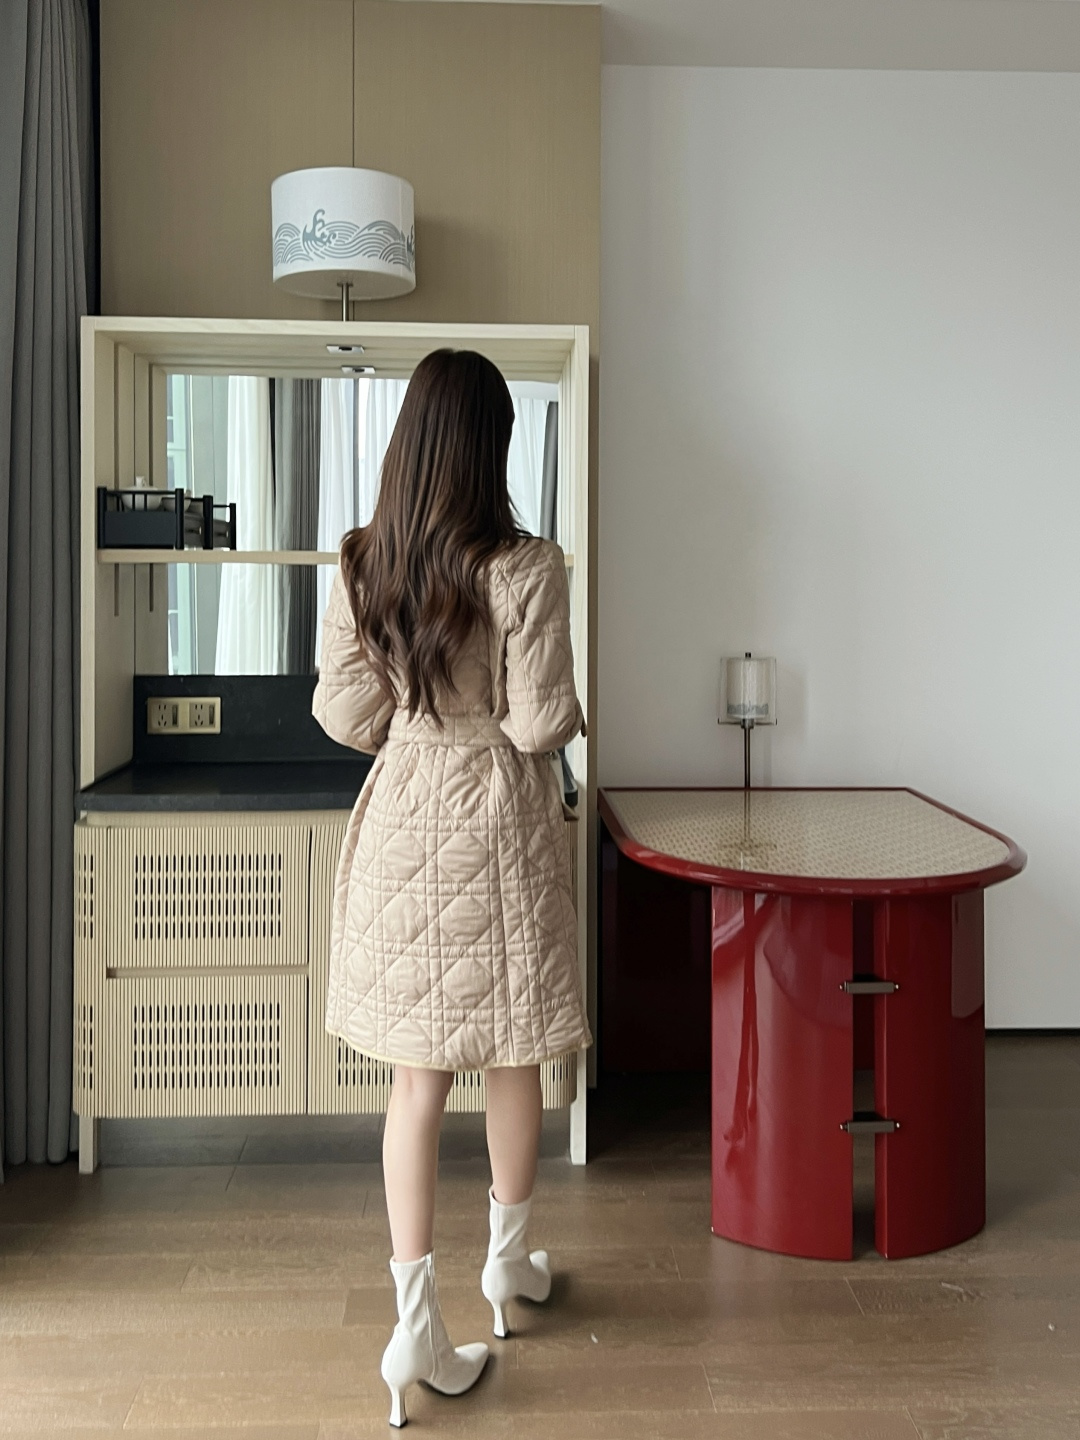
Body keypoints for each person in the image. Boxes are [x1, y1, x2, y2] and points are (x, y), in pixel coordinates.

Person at [313, 348, 591, 1428]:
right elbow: (538, 722)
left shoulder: (361, 563)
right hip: (496, 815)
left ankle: (412, 1327)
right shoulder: (527, 565)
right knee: (512, 1050)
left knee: (417, 1079)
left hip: (403, 809)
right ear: (492, 444)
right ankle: (508, 1268)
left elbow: (346, 715)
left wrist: (414, 719)